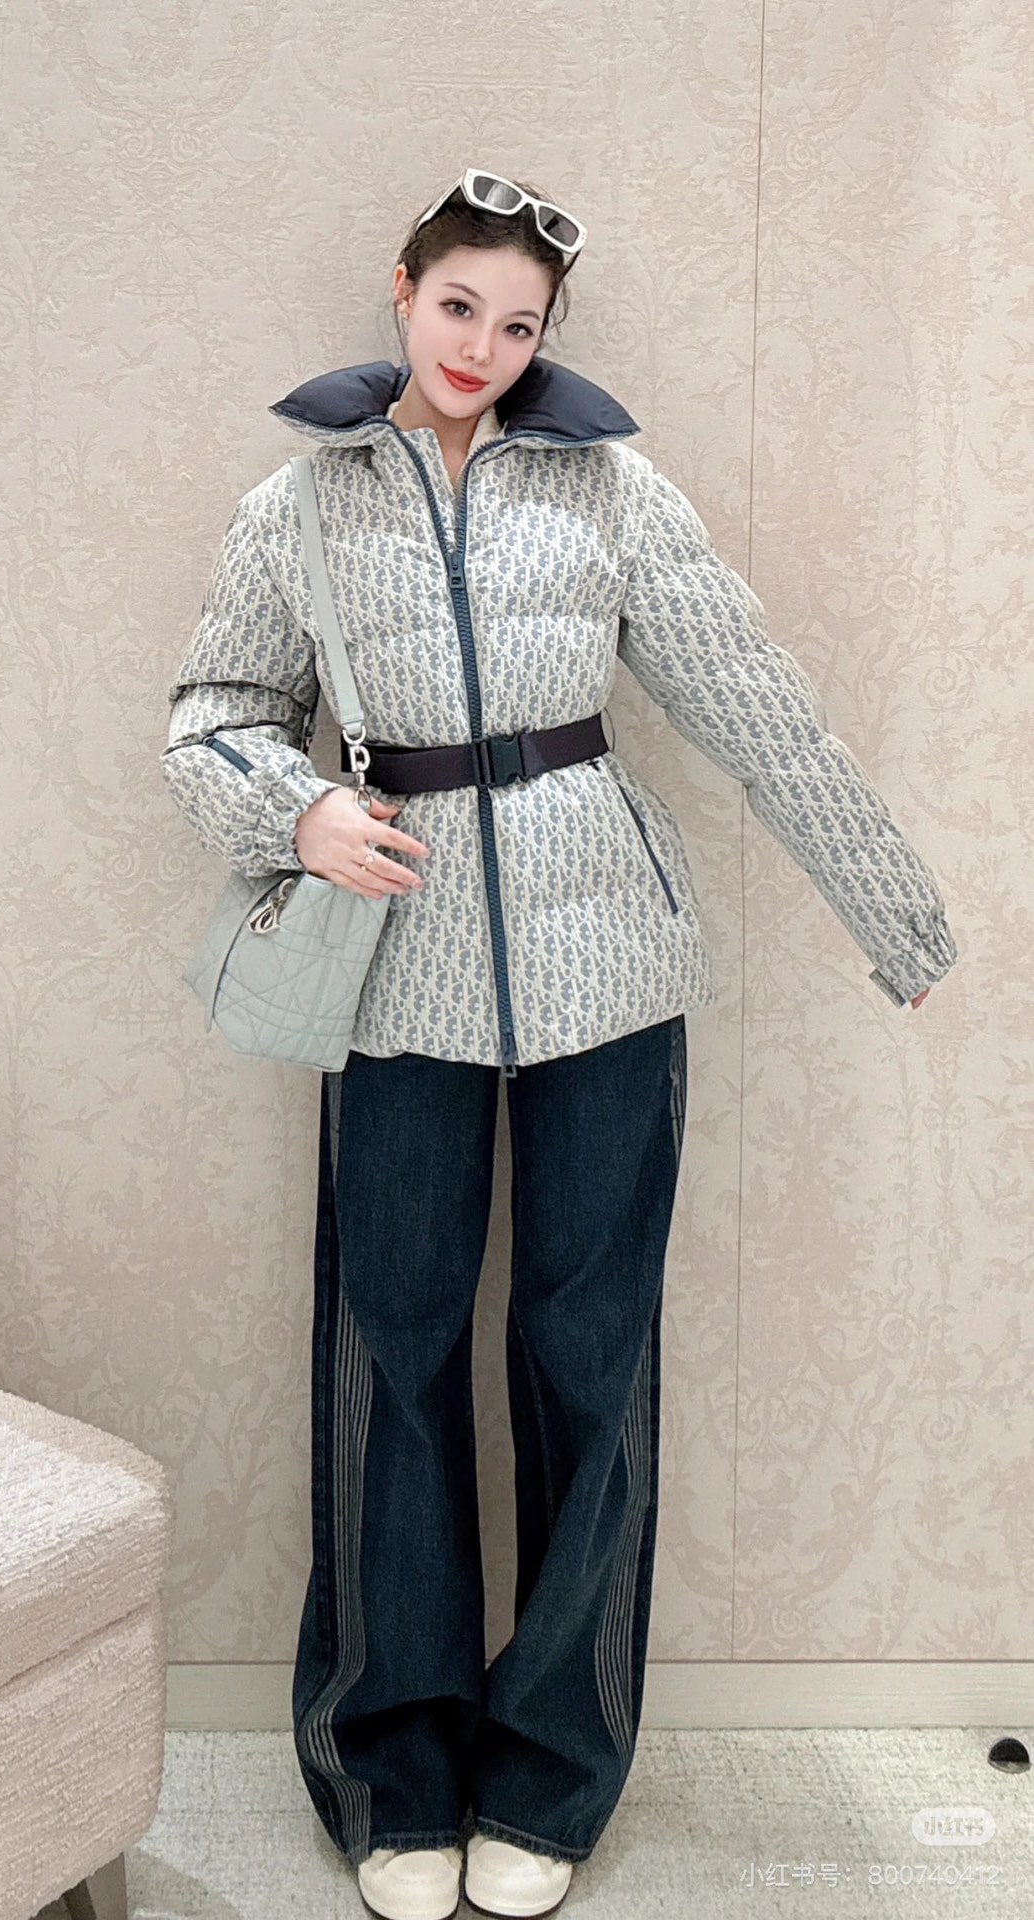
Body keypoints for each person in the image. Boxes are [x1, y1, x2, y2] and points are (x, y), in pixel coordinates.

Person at [160, 169, 957, 1920]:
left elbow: (754, 702)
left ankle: (550, 1775)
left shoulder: (613, 491)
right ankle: (393, 1774)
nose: (481, 347)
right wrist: (295, 813)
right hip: (393, 979)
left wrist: (892, 910)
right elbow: (208, 716)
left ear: (543, 341)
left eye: (516, 325)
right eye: (458, 306)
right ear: (401, 292)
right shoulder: (298, 506)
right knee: (391, 1350)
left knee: (591, 1357)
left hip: (612, 966)